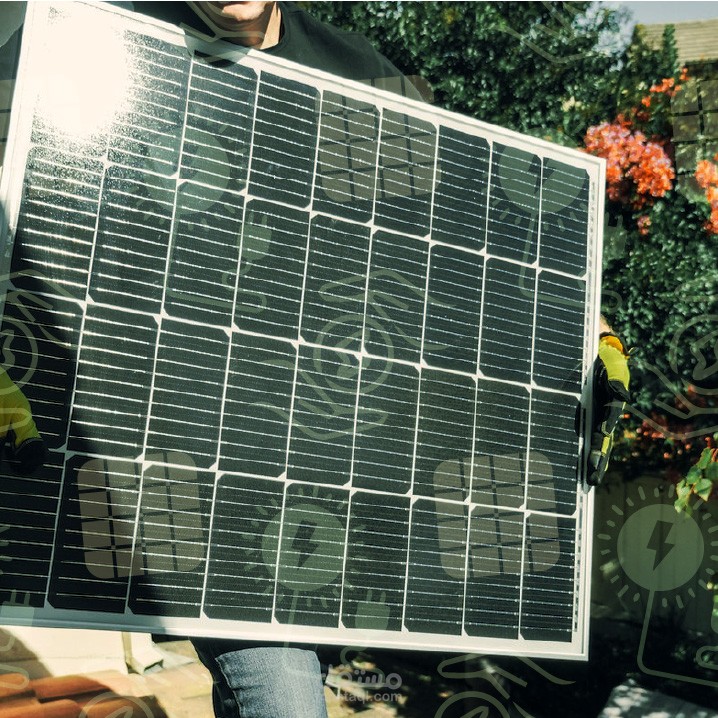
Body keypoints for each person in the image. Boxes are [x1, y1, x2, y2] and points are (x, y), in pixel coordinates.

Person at [127, 3, 421, 716]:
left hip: (329, 480)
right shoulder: (107, 45)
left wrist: (588, 329)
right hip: (196, 477)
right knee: (285, 695)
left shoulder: (364, 75)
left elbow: (468, 239)